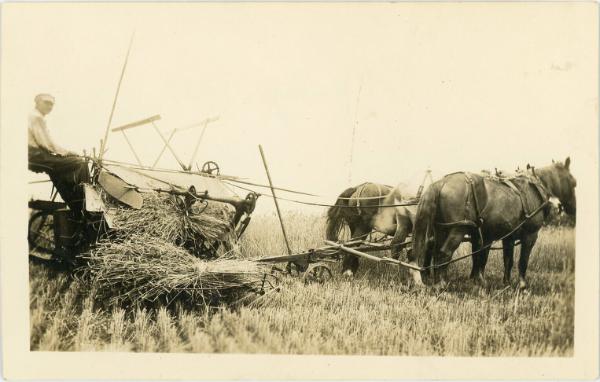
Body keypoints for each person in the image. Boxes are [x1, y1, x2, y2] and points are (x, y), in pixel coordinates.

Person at [28, 93, 89, 215]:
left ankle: (73, 203)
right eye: (46, 103)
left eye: (51, 104)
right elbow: (47, 144)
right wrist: (68, 152)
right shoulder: (36, 117)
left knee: (58, 170)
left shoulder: (34, 117)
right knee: (80, 162)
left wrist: (64, 154)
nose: (49, 107)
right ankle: (84, 197)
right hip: (36, 155)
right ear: (37, 102)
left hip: (36, 156)